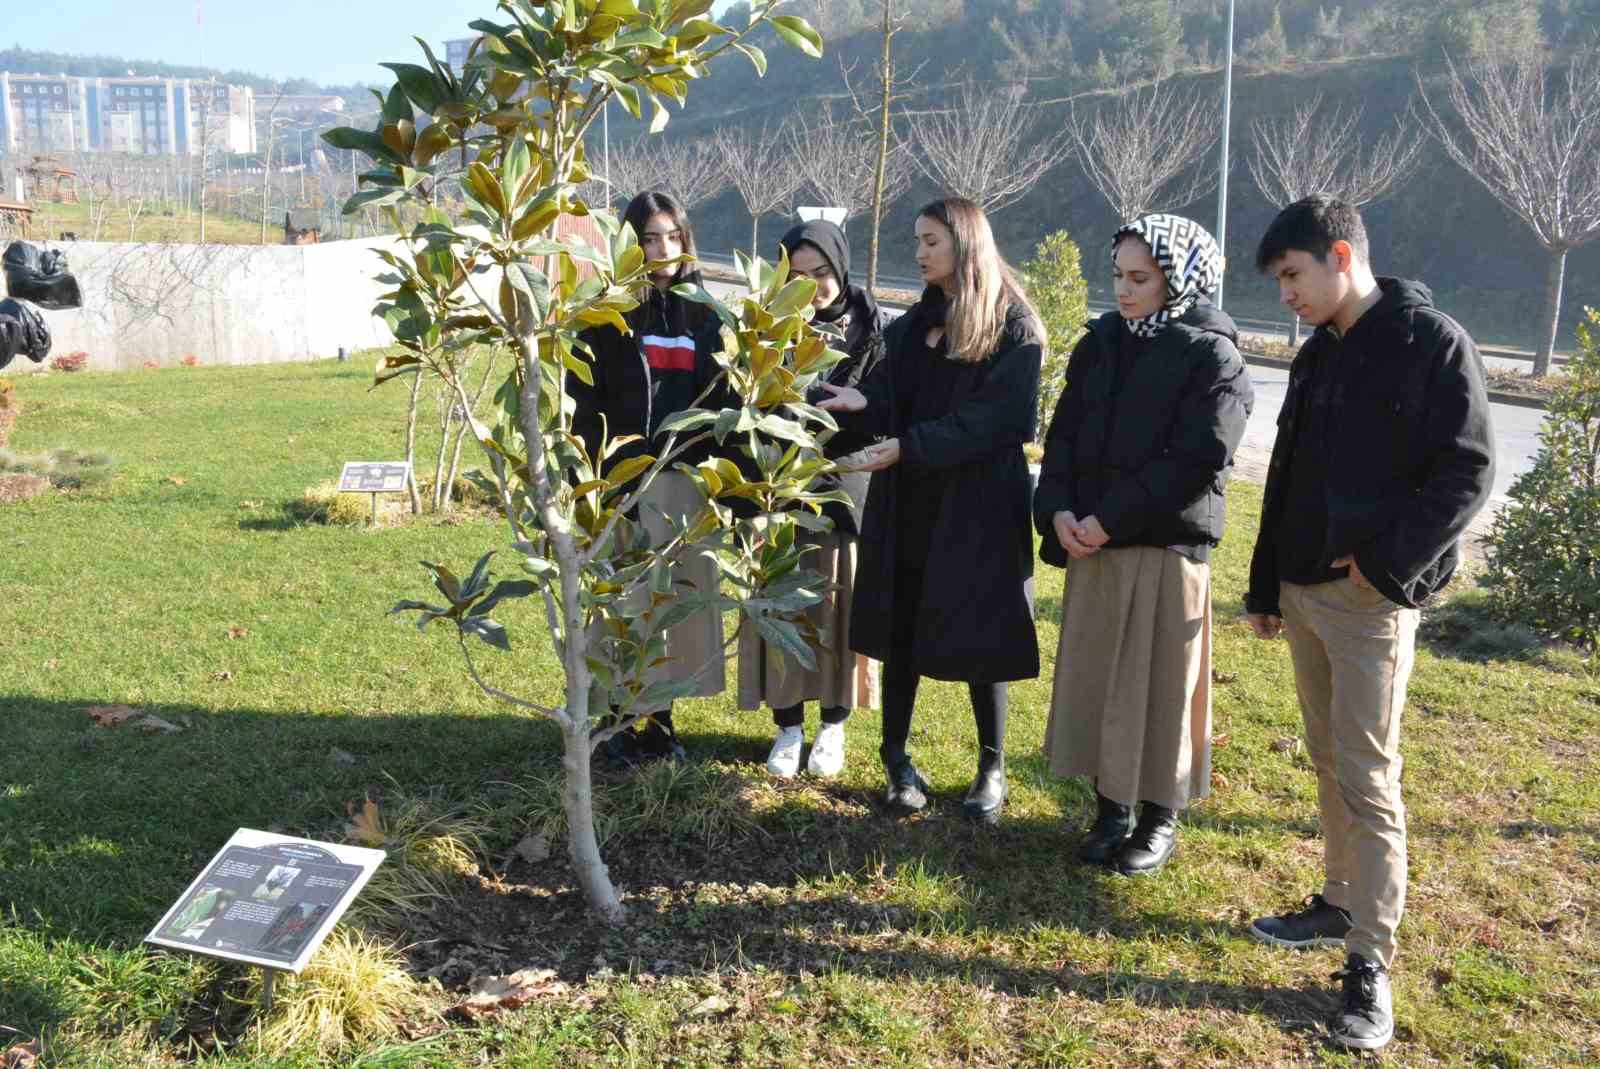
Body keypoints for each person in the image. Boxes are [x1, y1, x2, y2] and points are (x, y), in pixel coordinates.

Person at [1244, 195, 1494, 1052]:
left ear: (1341, 256)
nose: (1287, 295)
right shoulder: (1319, 353)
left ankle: (1368, 963)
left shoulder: (1431, 342)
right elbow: (1286, 470)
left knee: (1368, 776)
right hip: (1305, 591)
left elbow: (1468, 471)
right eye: (1280, 281)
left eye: (1293, 276)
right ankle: (1338, 898)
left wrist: (1386, 566)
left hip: (1370, 601)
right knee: (1328, 758)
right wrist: (1266, 585)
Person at [1034, 213, 1253, 877]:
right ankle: (1111, 809)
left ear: (1178, 280)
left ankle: (1159, 814)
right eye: (1118, 276)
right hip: (1094, 541)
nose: (1123, 291)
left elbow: (1196, 459)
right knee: (1103, 678)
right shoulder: (1101, 343)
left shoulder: (1213, 354)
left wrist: (1109, 518)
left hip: (1164, 549)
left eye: (1140, 278)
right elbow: (1064, 434)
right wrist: (1060, 509)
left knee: (1160, 686)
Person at [818, 197, 1043, 822]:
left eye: (930, 241)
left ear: (966, 244)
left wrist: (907, 445)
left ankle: (991, 767)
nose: (918, 253)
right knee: (902, 624)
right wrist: (861, 403)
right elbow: (894, 397)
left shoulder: (1014, 327)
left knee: (983, 627)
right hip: (910, 495)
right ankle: (896, 759)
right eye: (917, 240)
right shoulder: (913, 326)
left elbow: (997, 422)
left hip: (978, 505)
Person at [569, 190, 725, 767]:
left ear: (686, 241)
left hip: (683, 482)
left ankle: (660, 723)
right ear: (629, 247)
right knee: (620, 607)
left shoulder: (706, 313)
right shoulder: (607, 313)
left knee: (671, 611)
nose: (662, 249)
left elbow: (724, 400)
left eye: (671, 236)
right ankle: (616, 724)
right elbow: (584, 402)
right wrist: (593, 479)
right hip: (620, 480)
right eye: (649, 239)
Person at [737, 220, 887, 779]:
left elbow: (885, 405)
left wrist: (859, 406)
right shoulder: (768, 327)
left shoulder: (871, 327)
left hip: (840, 487)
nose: (811, 286)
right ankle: (787, 726)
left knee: (835, 608)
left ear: (840, 269)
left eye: (821, 273)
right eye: (797, 275)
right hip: (777, 486)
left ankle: (833, 724)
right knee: (780, 604)